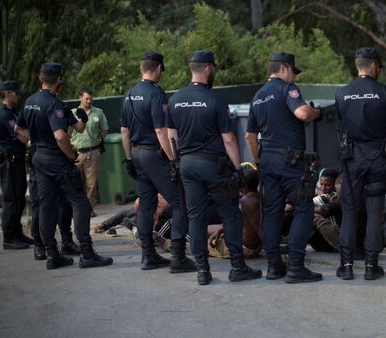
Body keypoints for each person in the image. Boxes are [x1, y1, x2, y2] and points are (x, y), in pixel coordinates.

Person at [167, 50, 261, 285]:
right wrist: (238, 169)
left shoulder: (175, 99)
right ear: (208, 68)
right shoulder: (216, 100)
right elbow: (228, 139)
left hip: (187, 164)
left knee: (195, 216)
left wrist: (177, 161)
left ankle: (202, 270)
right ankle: (237, 267)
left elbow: (171, 137)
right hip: (214, 165)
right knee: (230, 212)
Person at [15, 63, 112, 270]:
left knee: (47, 206)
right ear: (59, 79)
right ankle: (87, 253)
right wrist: (71, 155)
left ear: (40, 78)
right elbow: (60, 136)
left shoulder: (30, 101)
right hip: (56, 159)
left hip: (38, 159)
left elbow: (18, 129)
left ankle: (52, 255)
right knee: (81, 204)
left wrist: (34, 141)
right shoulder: (54, 104)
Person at [334, 47, 386, 281]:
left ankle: (346, 265)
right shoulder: (384, 92)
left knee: (349, 210)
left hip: (352, 158)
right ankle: (371, 266)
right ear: (373, 65)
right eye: (379, 66)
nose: (380, 70)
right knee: (374, 211)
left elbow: (339, 130)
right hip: (378, 157)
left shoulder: (342, 94)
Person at [245, 52, 322, 283]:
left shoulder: (257, 97)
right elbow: (302, 113)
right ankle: (296, 267)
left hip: (267, 161)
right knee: (303, 208)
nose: (293, 77)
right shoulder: (288, 89)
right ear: (285, 68)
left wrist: (259, 160)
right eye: (292, 72)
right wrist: (317, 112)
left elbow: (250, 136)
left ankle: (274, 267)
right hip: (290, 161)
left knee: (271, 213)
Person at [120, 51, 196, 273]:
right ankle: (179, 258)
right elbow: (161, 130)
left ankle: (148, 255)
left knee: (146, 203)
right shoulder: (156, 94)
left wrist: (127, 159)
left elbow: (124, 131)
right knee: (180, 202)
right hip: (154, 154)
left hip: (136, 154)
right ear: (159, 68)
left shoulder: (129, 94)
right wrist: (173, 159)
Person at [0, 80, 34, 249]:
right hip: (9, 163)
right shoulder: (5, 114)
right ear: (8, 93)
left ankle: (17, 234)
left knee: (19, 200)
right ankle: (9, 238)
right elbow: (23, 137)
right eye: (16, 93)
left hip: (16, 162)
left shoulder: (12, 112)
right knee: (11, 201)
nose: (18, 95)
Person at [207, 163, 263, 259]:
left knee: (198, 244)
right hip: (244, 241)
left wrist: (273, 253)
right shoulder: (255, 196)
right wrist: (220, 231)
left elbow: (259, 229)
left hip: (244, 248)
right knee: (207, 229)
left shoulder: (248, 201)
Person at [71, 88, 108, 217]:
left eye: (91, 98)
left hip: (93, 152)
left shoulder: (98, 112)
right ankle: (75, 209)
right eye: (86, 98)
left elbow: (104, 130)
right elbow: (68, 133)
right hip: (76, 153)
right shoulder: (73, 113)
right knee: (74, 181)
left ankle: (89, 208)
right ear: (80, 97)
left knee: (91, 184)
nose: (89, 101)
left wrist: (97, 143)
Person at [310, 168, 341, 251]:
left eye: (327, 185)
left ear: (336, 184)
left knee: (313, 217)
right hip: (324, 243)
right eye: (321, 184)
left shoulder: (332, 196)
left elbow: (325, 209)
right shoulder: (327, 196)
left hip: (336, 242)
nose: (323, 188)